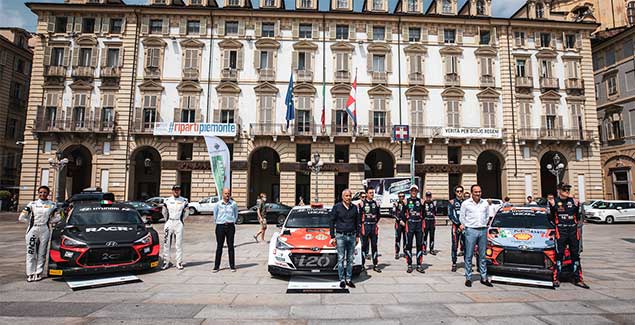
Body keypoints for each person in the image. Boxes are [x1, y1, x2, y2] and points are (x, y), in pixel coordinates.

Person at [548, 183, 589, 289]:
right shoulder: (553, 202)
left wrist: (577, 228)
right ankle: (556, 278)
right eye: (564, 189)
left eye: (568, 189)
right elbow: (550, 217)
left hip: (573, 230)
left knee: (575, 255)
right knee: (559, 255)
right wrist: (557, 225)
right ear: (559, 190)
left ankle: (578, 279)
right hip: (561, 230)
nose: (567, 191)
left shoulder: (575, 202)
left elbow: (580, 216)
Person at [18, 185, 59, 282]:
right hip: (33, 229)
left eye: (45, 192)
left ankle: (38, 272)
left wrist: (50, 221)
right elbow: (21, 217)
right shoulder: (32, 204)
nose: (43, 194)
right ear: (38, 193)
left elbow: (59, 217)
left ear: (48, 194)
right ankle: (30, 273)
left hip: (45, 229)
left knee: (42, 252)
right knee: (31, 251)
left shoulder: (52, 205)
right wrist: (30, 222)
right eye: (41, 192)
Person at [459, 184, 493, 287]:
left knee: (482, 256)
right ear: (472, 193)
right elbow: (462, 217)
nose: (478, 194)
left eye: (479, 192)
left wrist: (484, 224)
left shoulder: (485, 204)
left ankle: (483, 277)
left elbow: (487, 216)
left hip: (482, 230)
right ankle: (468, 277)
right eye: (476, 192)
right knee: (469, 255)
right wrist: (466, 227)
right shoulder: (466, 204)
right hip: (471, 231)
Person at [330, 189, 361, 289]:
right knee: (340, 258)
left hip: (352, 236)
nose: (348, 198)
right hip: (340, 236)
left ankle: (348, 279)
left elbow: (357, 222)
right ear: (343, 197)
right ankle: (342, 279)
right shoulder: (337, 207)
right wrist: (332, 236)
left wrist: (357, 236)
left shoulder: (354, 208)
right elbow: (331, 221)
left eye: (350, 196)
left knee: (350, 259)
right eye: (347, 196)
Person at [162, 185, 189, 270]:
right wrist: (167, 220)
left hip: (178, 222)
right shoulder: (167, 200)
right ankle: (166, 262)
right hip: (169, 222)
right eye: (175, 190)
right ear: (172, 191)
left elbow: (186, 212)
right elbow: (164, 212)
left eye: (178, 190)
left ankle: (179, 262)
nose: (176, 191)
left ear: (180, 191)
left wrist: (181, 220)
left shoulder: (184, 200)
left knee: (179, 244)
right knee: (166, 243)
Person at [213, 188, 238, 272]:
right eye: (225, 193)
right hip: (220, 226)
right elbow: (215, 215)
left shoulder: (233, 204)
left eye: (228, 193)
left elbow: (236, 214)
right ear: (222, 194)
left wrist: (232, 221)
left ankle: (232, 266)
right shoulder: (218, 204)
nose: (227, 195)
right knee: (219, 246)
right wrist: (219, 221)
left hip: (230, 226)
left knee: (231, 246)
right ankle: (216, 266)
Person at [402, 184, 425, 274]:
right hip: (410, 225)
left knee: (420, 245)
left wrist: (422, 222)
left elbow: (425, 214)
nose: (414, 192)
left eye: (415, 191)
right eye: (412, 190)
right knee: (409, 245)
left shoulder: (421, 201)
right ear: (410, 192)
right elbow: (402, 213)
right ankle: (409, 265)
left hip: (419, 225)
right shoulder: (406, 201)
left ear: (417, 192)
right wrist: (403, 221)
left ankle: (419, 265)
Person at [360, 188, 381, 273]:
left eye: (373, 193)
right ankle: (362, 265)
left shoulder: (376, 203)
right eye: (370, 193)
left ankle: (375, 265)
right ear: (366, 194)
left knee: (374, 246)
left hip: (373, 227)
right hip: (365, 227)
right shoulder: (362, 204)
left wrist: (375, 222)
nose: (372, 194)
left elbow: (378, 215)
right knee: (364, 247)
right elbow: (358, 216)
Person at [448, 185, 465, 272]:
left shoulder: (466, 202)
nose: (459, 193)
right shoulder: (452, 202)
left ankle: (467, 263)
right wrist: (458, 224)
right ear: (455, 192)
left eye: (460, 191)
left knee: (466, 245)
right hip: (456, 227)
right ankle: (454, 263)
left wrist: (464, 225)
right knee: (455, 245)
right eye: (457, 191)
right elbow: (450, 215)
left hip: (465, 227)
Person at [393, 192, 407, 260]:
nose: (401, 197)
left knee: (406, 239)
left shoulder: (407, 203)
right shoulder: (396, 204)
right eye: (400, 196)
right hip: (398, 224)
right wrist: (399, 220)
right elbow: (393, 213)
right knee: (397, 239)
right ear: (398, 197)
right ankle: (397, 253)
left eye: (403, 196)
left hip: (406, 224)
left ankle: (405, 252)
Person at [422, 191, 437, 255]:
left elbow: (435, 212)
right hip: (426, 221)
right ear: (426, 196)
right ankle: (424, 249)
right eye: (427, 196)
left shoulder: (433, 203)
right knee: (425, 236)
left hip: (432, 221)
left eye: (429, 196)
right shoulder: (423, 203)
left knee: (432, 236)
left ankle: (431, 249)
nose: (428, 197)